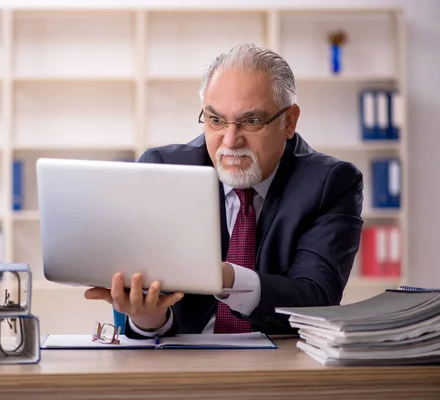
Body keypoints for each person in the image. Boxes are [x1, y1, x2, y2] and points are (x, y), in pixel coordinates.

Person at [85, 43, 364, 338]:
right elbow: (149, 310)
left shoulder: (331, 183)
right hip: (184, 364)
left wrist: (227, 278)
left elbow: (317, 298)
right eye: (216, 120)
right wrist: (149, 318)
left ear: (289, 121)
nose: (230, 141)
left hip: (280, 366)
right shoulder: (164, 169)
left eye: (252, 121)